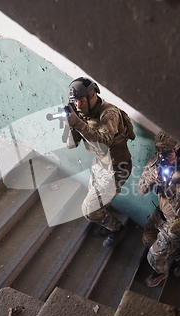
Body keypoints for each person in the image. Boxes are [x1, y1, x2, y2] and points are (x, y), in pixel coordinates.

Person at [65, 77, 134, 247]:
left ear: (93, 95)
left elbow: (104, 143)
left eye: (81, 100)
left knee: (89, 211)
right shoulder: (80, 112)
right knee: (96, 200)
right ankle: (105, 216)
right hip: (100, 164)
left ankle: (117, 229)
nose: (78, 105)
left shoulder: (109, 114)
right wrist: (69, 125)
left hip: (117, 168)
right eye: (75, 101)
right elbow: (70, 145)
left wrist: (79, 124)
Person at [138, 131, 180, 287]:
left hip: (179, 221)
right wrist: (150, 178)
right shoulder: (156, 162)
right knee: (148, 238)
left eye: (168, 154)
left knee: (153, 255)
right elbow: (141, 190)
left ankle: (160, 272)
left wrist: (168, 186)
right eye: (160, 152)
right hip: (162, 213)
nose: (163, 158)